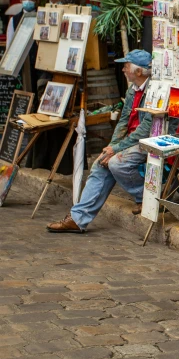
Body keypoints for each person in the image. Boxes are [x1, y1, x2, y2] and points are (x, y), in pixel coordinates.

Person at [47, 50, 154, 233]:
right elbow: (123, 120)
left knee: (117, 163)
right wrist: (112, 146)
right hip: (130, 140)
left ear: (138, 72)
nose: (123, 69)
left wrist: (117, 149)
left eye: (126, 66)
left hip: (148, 140)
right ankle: (78, 218)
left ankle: (146, 197)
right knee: (100, 163)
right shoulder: (132, 90)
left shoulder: (153, 91)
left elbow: (146, 128)